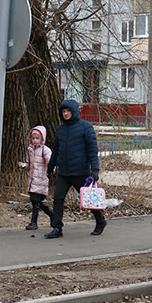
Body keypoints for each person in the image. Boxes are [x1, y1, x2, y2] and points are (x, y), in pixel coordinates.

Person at [45, 99, 106, 238]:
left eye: (68, 111)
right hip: (64, 172)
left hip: (80, 171)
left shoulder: (86, 127)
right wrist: (50, 167)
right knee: (58, 199)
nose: (65, 114)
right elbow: (56, 150)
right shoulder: (61, 129)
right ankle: (57, 228)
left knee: (88, 199)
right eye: (63, 112)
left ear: (74, 112)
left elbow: (92, 150)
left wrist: (95, 169)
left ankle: (100, 221)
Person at [20, 125, 53, 231]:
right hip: (33, 179)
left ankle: (34, 222)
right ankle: (52, 215)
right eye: (33, 138)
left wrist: (50, 170)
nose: (35, 140)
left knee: (35, 203)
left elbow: (49, 162)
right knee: (37, 202)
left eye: (37, 138)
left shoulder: (45, 150)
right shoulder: (30, 150)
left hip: (41, 179)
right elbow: (29, 165)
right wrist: (24, 166)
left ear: (42, 138)